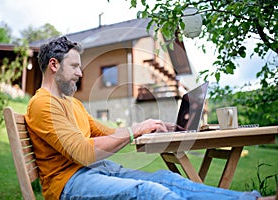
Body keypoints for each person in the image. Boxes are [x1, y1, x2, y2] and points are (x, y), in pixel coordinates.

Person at [25, 36, 272, 200]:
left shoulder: (72, 103)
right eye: (75, 66)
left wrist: (146, 127)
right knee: (149, 192)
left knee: (166, 178)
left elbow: (106, 133)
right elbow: (82, 152)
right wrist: (135, 132)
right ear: (54, 65)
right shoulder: (42, 105)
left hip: (98, 170)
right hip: (69, 183)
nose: (81, 73)